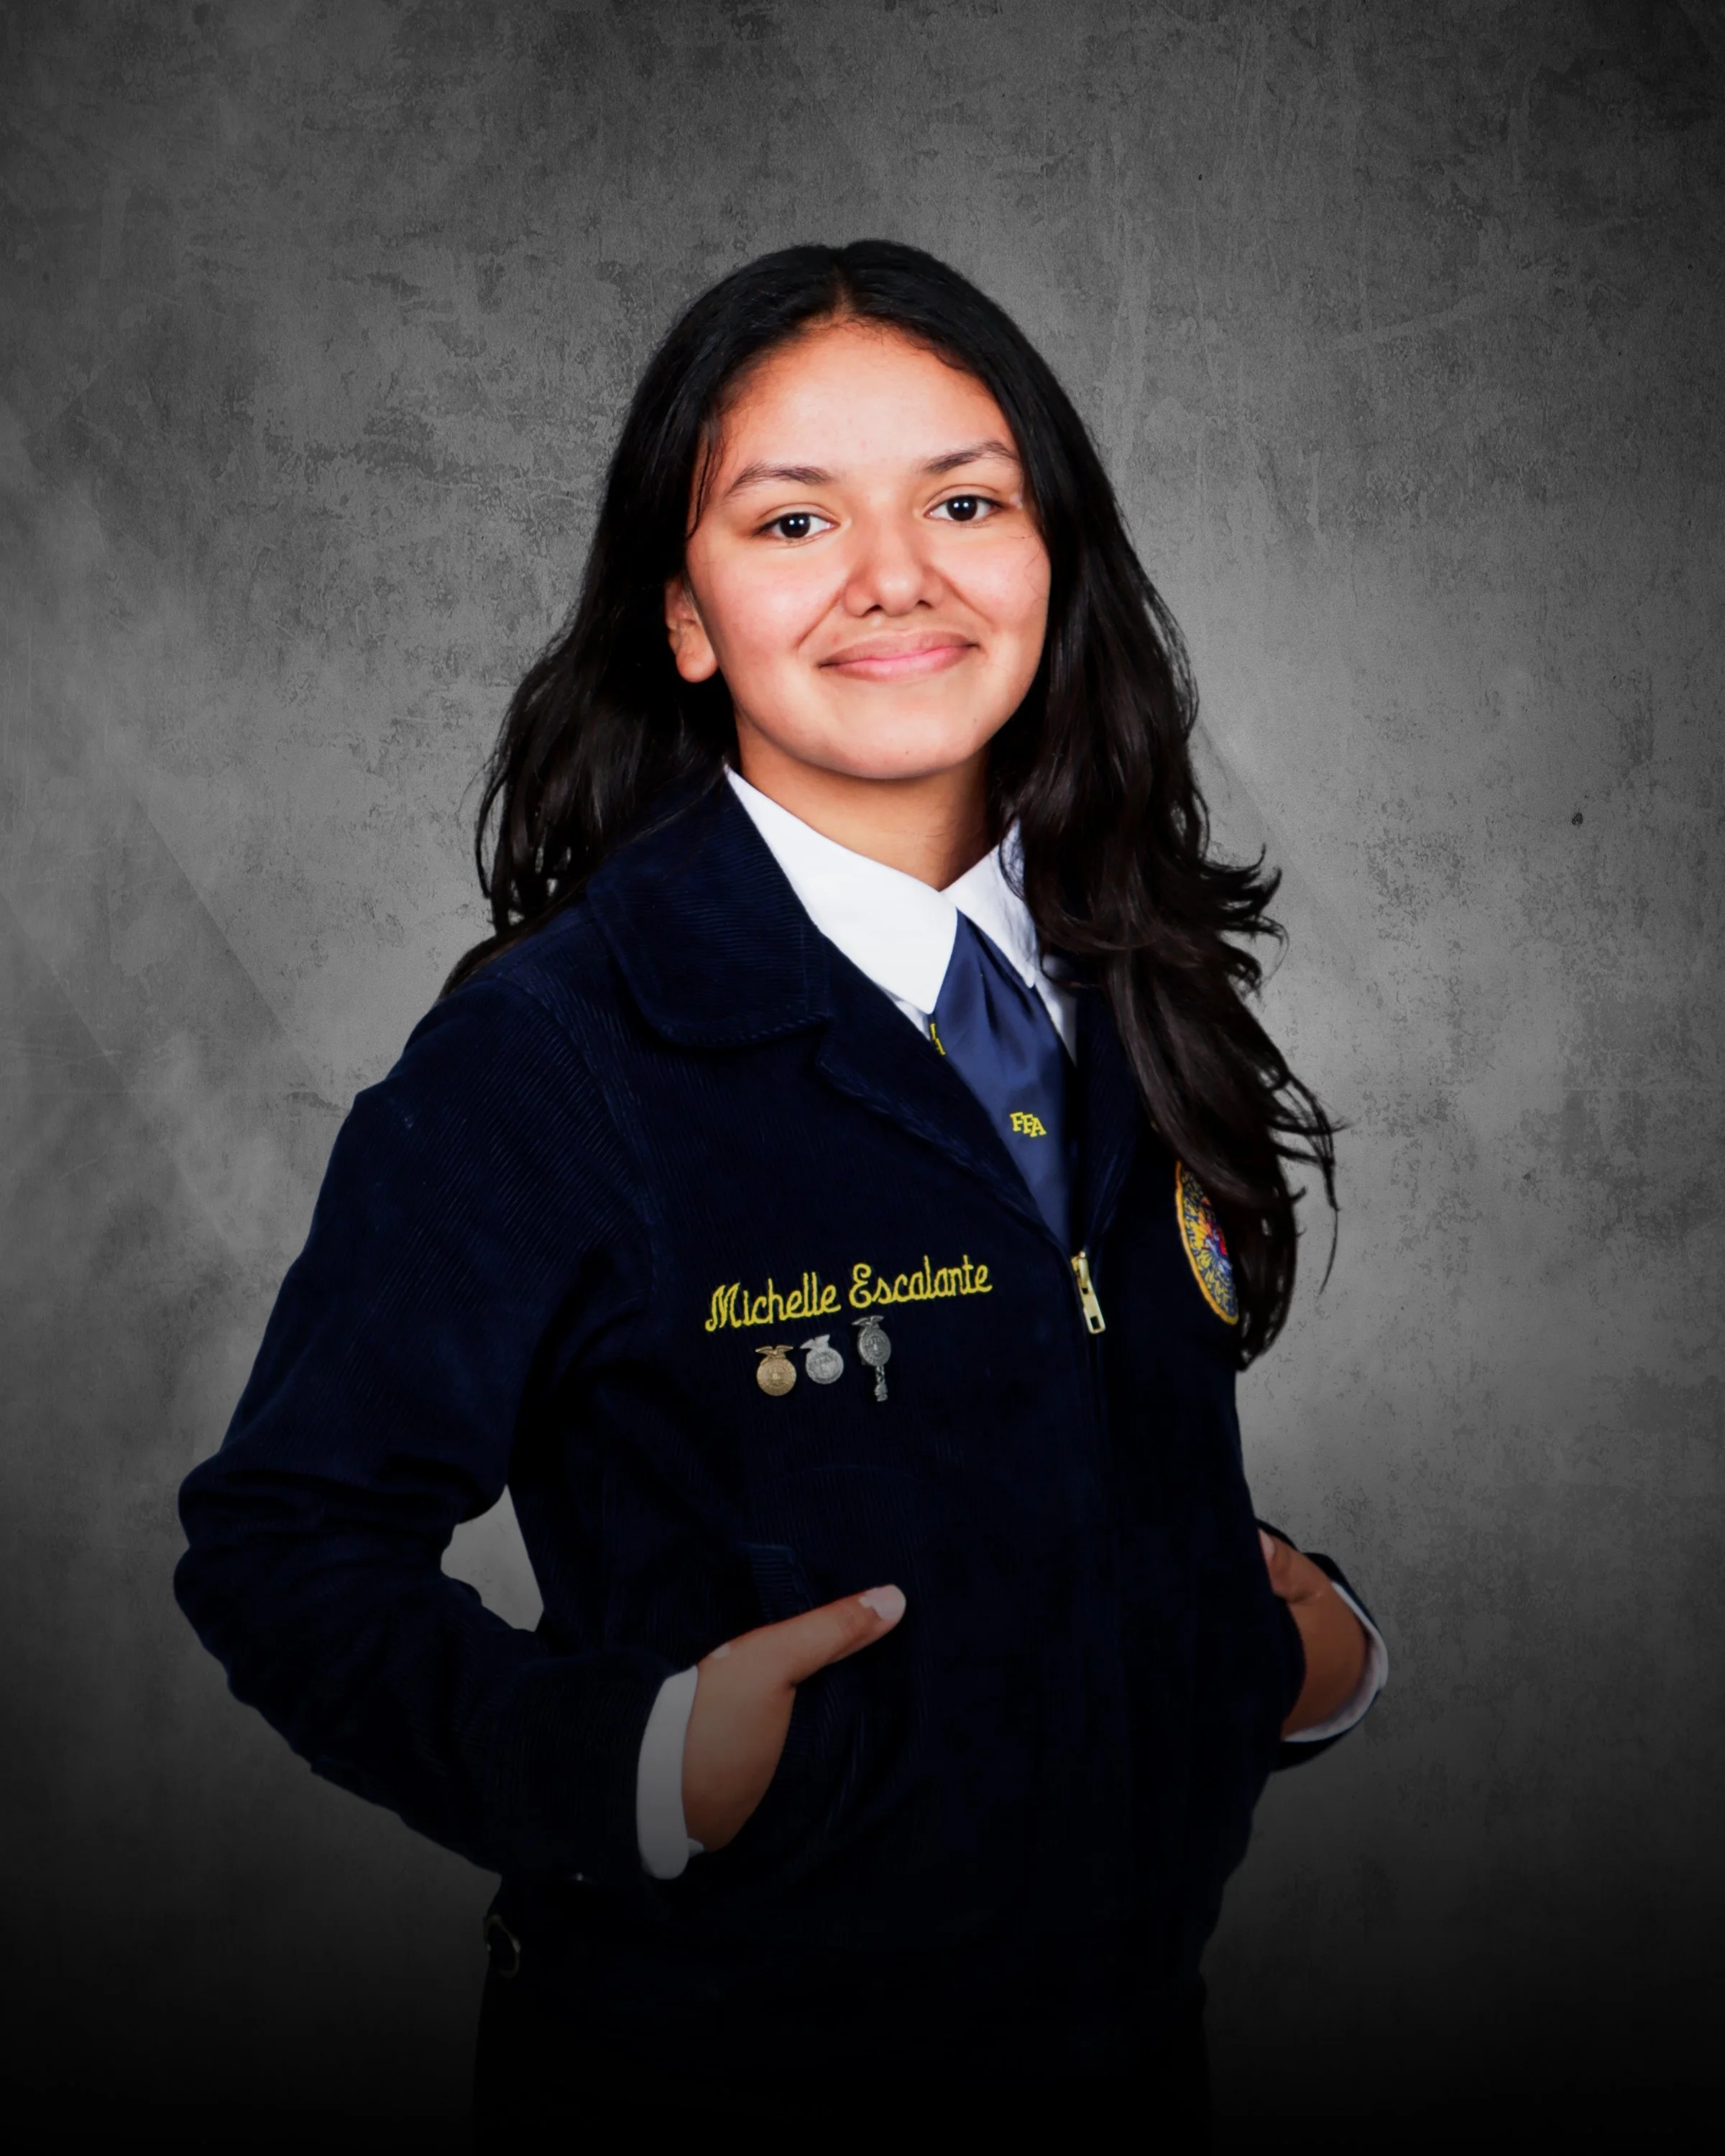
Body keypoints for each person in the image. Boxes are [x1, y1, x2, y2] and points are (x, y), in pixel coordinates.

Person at [175, 240, 1386, 2144]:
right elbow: (281, 1544)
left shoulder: (1135, 980)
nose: (896, 576)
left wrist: (1299, 1657)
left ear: (1051, 557)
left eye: (965, 503)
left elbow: (1067, 1439)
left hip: (1136, 2060)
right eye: (795, 519)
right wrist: (642, 1763)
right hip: (705, 2083)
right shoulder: (551, 1058)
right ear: (683, 613)